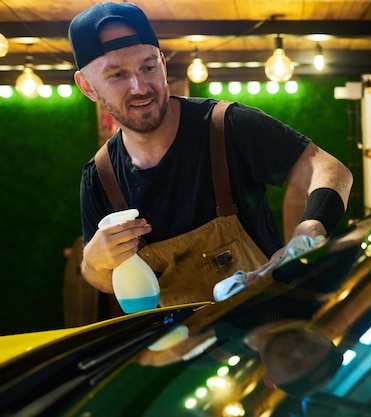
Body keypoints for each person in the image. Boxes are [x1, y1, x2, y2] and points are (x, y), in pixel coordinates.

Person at [68, 2, 353, 307]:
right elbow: (103, 280)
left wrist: (310, 228)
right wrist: (94, 263)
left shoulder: (227, 127)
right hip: (180, 347)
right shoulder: (100, 176)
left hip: (266, 330)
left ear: (163, 65)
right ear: (88, 86)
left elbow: (330, 170)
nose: (139, 87)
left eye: (148, 67)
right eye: (117, 74)